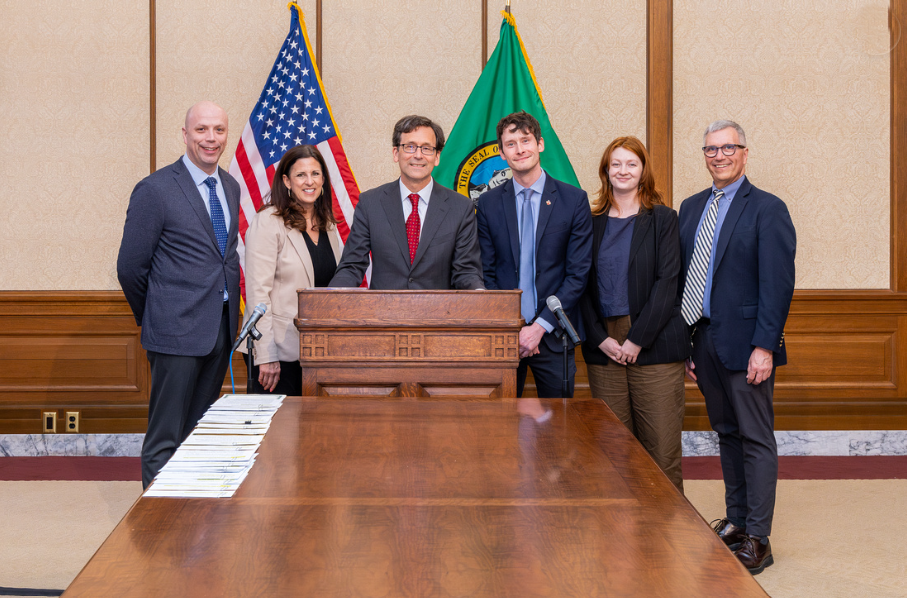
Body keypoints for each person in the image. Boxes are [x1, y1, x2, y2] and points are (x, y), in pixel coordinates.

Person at [678, 120, 796, 574]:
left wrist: (764, 346)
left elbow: (777, 286)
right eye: (711, 149)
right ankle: (739, 522)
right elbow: (687, 278)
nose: (719, 155)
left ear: (745, 152)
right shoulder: (690, 209)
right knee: (726, 435)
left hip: (748, 345)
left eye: (728, 147)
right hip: (704, 340)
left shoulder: (768, 209)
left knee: (755, 438)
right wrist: (688, 342)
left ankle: (759, 539)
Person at [117, 101, 241, 488]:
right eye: (202, 129)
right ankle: (157, 528)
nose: (211, 138)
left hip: (219, 331)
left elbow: (224, 259)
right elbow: (131, 267)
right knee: (166, 437)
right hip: (174, 333)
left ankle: (188, 516)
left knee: (197, 433)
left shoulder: (231, 187)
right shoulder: (155, 189)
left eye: (218, 130)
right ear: (185, 134)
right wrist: (157, 315)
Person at [578, 136, 689, 492]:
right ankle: (621, 537)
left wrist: (637, 339)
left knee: (661, 448)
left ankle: (667, 533)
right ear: (605, 171)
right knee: (613, 448)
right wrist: (600, 339)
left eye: (631, 164)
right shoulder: (590, 223)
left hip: (653, 343)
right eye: (616, 164)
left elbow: (667, 283)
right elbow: (578, 284)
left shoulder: (663, 220)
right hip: (604, 346)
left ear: (643, 172)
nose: (623, 170)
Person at [476, 111, 592, 397]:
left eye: (525, 140)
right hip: (504, 336)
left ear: (540, 144)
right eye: (511, 144)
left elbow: (578, 273)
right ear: (502, 153)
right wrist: (512, 327)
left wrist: (538, 327)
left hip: (553, 335)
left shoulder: (573, 200)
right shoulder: (488, 203)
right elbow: (485, 272)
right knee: (499, 427)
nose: (520, 149)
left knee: (558, 428)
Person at [329, 115, 483, 290]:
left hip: (437, 315)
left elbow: (466, 272)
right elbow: (352, 266)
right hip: (383, 314)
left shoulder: (461, 208)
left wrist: (478, 293)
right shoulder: (370, 203)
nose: (418, 155)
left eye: (426, 148)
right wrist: (332, 297)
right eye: (410, 147)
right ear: (396, 153)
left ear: (437, 156)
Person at [240, 145, 343, 396]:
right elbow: (257, 294)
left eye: (316, 174)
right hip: (278, 351)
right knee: (279, 432)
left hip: (317, 352)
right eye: (301, 175)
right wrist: (265, 354)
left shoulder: (328, 225)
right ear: (286, 180)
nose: (310, 182)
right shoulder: (268, 222)